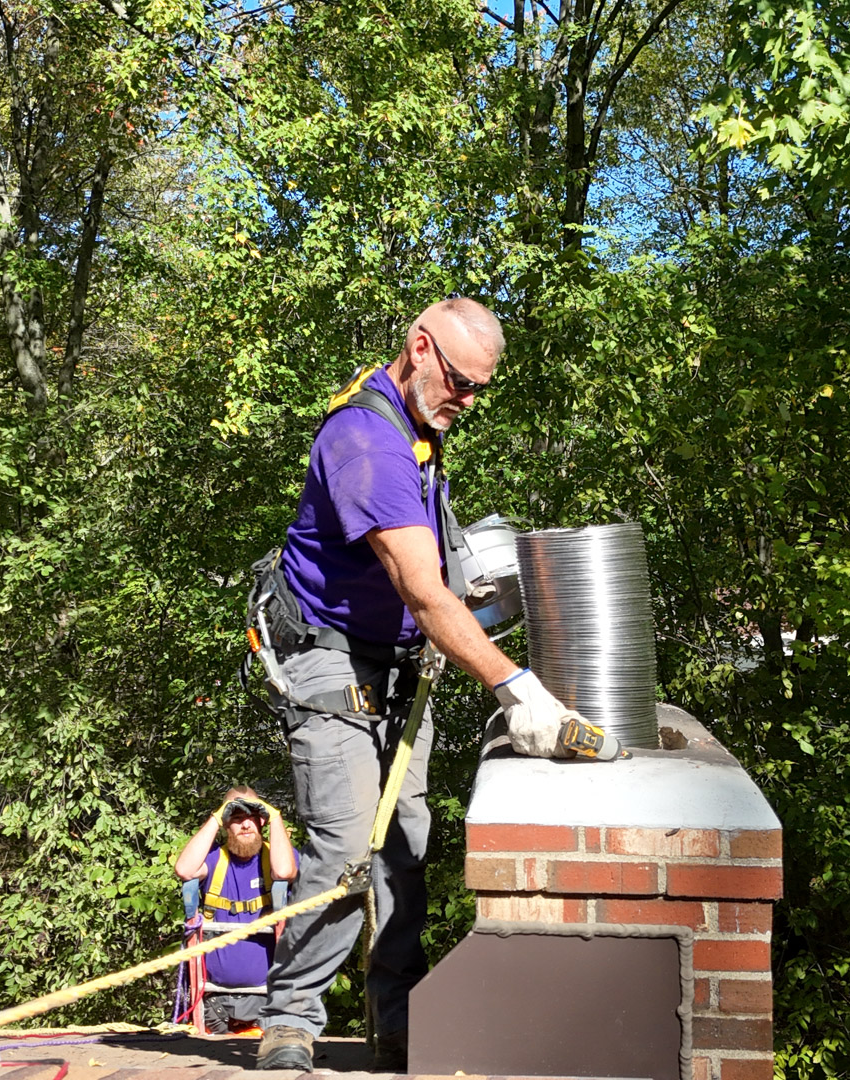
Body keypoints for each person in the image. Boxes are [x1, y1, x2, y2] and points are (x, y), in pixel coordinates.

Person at [253, 297, 587, 1072]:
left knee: (404, 840)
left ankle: (395, 1020)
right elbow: (422, 590)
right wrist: (519, 691)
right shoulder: (365, 442)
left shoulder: (418, 422)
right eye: (461, 384)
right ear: (421, 347)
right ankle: (291, 1022)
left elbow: (437, 574)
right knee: (344, 845)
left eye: (480, 390)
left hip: (400, 661)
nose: (467, 403)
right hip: (329, 659)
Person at [175, 787, 299, 1034]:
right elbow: (185, 870)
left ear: (261, 821)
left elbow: (285, 872)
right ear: (225, 825)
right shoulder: (214, 860)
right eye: (236, 817)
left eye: (252, 816)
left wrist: (274, 816)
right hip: (213, 1003)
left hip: (268, 1003)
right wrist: (217, 816)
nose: (245, 825)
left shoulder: (273, 858)